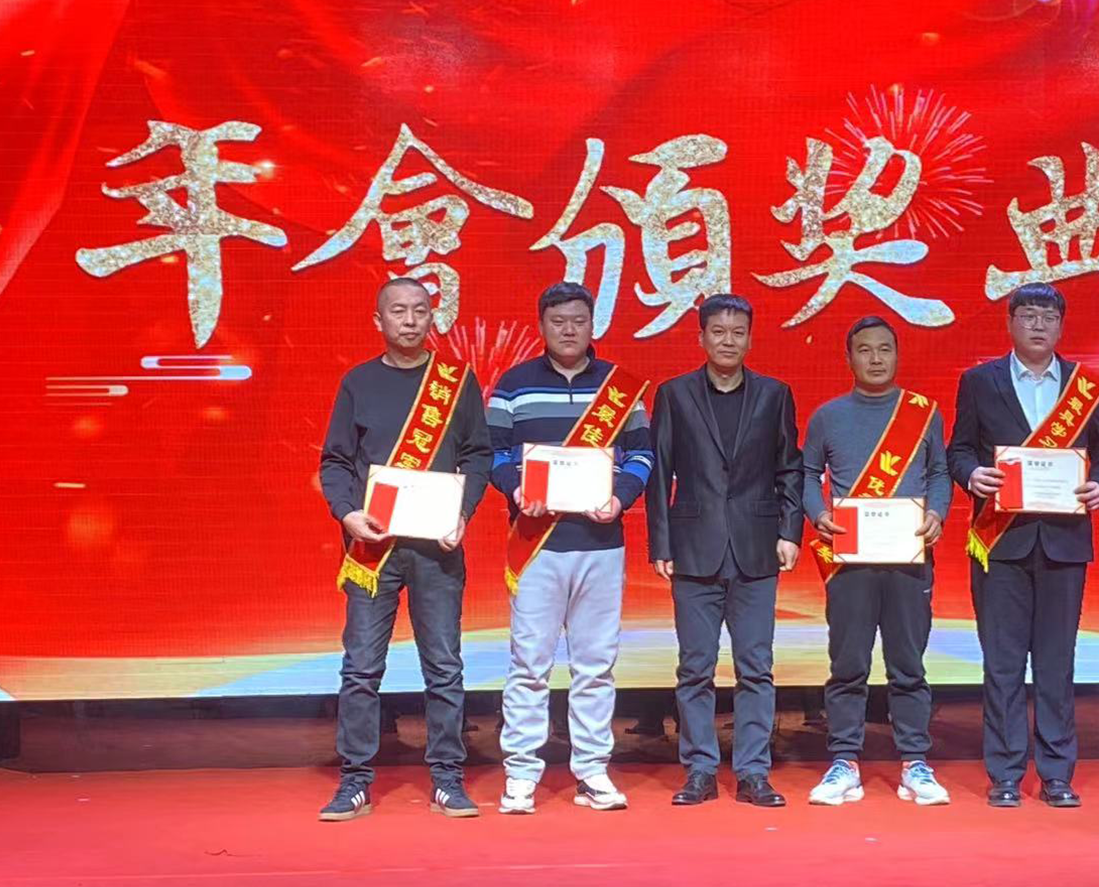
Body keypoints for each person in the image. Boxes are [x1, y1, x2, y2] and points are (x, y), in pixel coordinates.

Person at [317, 277, 492, 821]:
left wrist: (462, 513)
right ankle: (354, 780)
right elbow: (335, 461)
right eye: (399, 311)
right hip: (375, 550)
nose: (410, 320)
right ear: (379, 320)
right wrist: (347, 513)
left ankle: (448, 778)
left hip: (437, 548)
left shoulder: (455, 381)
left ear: (431, 318)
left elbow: (478, 455)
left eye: (420, 310)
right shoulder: (358, 382)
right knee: (361, 668)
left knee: (443, 667)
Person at [946, 282, 1099, 808]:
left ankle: (1056, 775)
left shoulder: (1085, 387)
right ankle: (1004, 773)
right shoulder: (980, 381)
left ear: (1061, 327)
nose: (1038, 325)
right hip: (1000, 544)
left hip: (1064, 544)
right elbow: (959, 449)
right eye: (1028, 315)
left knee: (1055, 663)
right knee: (1002, 664)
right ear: (1010, 323)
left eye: (1048, 316)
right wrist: (971, 475)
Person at [487, 281, 653, 814]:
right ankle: (520, 774)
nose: (568, 330)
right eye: (558, 321)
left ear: (592, 324)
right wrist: (517, 490)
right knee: (529, 665)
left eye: (578, 320)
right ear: (542, 325)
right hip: (536, 545)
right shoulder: (513, 386)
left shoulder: (619, 388)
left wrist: (620, 498)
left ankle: (593, 771)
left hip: (600, 544)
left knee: (595, 666)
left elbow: (642, 456)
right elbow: (492, 453)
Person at [646, 293, 804, 808]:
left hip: (757, 549)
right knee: (695, 668)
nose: (728, 341)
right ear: (701, 337)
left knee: (756, 667)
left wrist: (790, 532)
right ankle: (699, 770)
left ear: (750, 339)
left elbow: (790, 468)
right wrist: (661, 542)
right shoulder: (674, 394)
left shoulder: (775, 394)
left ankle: (754, 772)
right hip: (693, 548)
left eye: (738, 332)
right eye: (718, 331)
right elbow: (659, 472)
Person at [802, 316, 952, 807]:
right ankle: (844, 762)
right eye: (864, 350)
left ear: (897, 355)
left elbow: (939, 473)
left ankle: (915, 763)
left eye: (885, 349)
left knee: (908, 664)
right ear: (849, 358)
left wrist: (937, 513)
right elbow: (806, 474)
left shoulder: (923, 413)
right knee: (848, 664)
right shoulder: (828, 416)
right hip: (851, 560)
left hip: (910, 557)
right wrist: (819, 513)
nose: (875, 358)